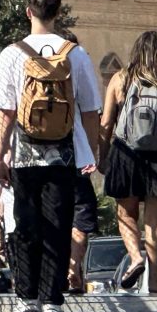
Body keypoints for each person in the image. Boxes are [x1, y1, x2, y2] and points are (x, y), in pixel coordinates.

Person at [0, 0, 101, 312]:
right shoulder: (76, 54)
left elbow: (7, 112)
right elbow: (90, 109)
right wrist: (92, 152)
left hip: (25, 154)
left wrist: (0, 157)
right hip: (64, 154)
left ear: (29, 12)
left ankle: (26, 296)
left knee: (26, 223)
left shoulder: (12, 54)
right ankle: (52, 298)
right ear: (56, 14)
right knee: (58, 223)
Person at [99, 31, 157, 294]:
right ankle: (153, 281)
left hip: (125, 154)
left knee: (126, 214)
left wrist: (102, 156)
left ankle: (135, 256)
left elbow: (106, 123)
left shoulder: (120, 79)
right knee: (155, 223)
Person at [61, 30, 101, 295]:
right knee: (81, 211)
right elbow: (91, 113)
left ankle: (57, 271)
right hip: (75, 155)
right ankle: (73, 267)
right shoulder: (81, 58)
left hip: (39, 156)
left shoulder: (33, 58)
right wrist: (92, 152)